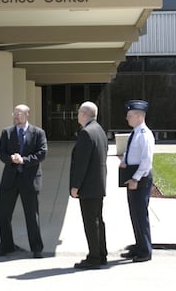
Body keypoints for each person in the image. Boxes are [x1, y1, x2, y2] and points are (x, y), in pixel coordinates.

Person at [0, 104, 48, 259]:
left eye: (19, 113)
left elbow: (42, 153)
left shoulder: (38, 133)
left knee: (32, 215)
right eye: (15, 113)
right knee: (4, 214)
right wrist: (10, 158)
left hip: (29, 180)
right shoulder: (7, 133)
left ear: (27, 115)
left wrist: (24, 160)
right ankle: (6, 247)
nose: (16, 116)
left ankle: (36, 248)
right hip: (10, 179)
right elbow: (1, 152)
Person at [69, 101, 109, 269]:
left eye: (79, 112)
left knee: (91, 223)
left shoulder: (86, 133)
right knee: (98, 220)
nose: (77, 115)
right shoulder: (99, 130)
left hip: (88, 186)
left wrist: (75, 186)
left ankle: (94, 258)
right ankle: (101, 254)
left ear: (85, 114)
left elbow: (81, 163)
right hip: (98, 184)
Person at [118, 99, 155, 263]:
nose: (127, 118)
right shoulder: (135, 133)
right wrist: (124, 161)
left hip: (140, 178)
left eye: (130, 115)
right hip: (132, 175)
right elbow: (130, 152)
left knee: (140, 214)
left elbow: (146, 161)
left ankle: (145, 250)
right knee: (134, 213)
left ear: (139, 116)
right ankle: (139, 245)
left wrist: (135, 179)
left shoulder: (145, 135)